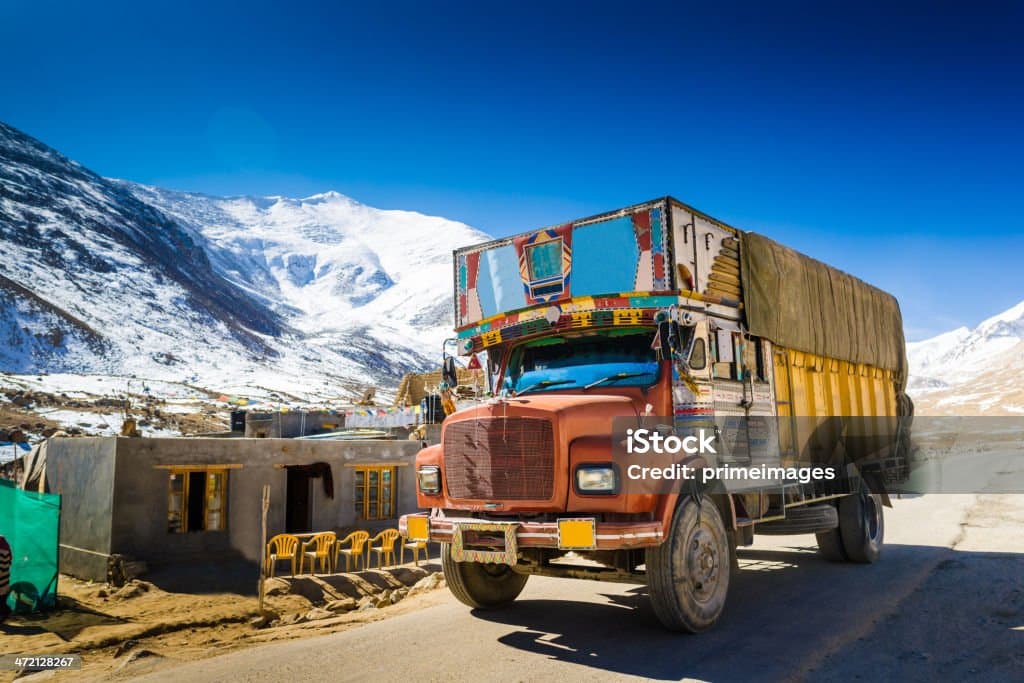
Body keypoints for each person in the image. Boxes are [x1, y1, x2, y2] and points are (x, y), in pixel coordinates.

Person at [0, 534, 11, 623]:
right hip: (4, 580)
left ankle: (5, 613)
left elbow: (2, 568)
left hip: (2, 581)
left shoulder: (2, 551)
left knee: (1, 601)